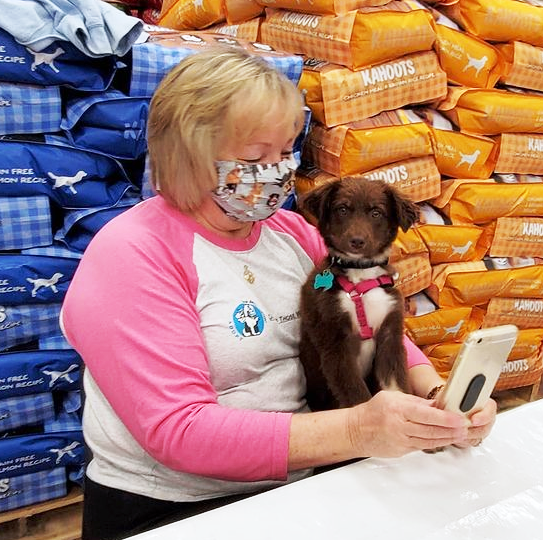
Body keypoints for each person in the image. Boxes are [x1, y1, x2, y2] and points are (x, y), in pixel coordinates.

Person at [60, 47, 497, 540]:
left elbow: (364, 314)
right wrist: (356, 430)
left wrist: (437, 393)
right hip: (175, 507)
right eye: (254, 157)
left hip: (298, 484)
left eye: (285, 152)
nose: (277, 171)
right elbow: (178, 431)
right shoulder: (133, 254)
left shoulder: (295, 236)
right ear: (188, 154)